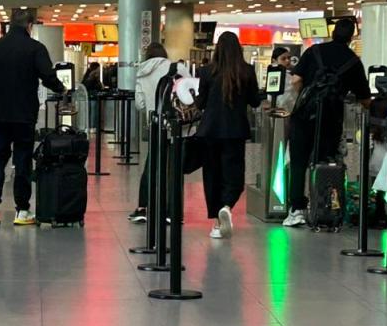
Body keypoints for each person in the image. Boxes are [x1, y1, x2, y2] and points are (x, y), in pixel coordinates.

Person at [0, 7, 66, 227]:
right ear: (30, 25)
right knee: (22, 160)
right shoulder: (35, 48)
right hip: (24, 114)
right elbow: (47, 76)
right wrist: (62, 89)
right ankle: (22, 210)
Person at [284, 19, 371, 228]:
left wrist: (303, 98)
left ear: (332, 32)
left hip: (304, 117)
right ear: (352, 37)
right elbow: (365, 99)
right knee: (327, 164)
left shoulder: (314, 51)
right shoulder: (353, 61)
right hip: (330, 121)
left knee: (298, 163)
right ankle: (325, 209)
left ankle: (296, 210)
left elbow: (296, 80)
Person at [195, 32, 263, 239]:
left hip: (210, 131)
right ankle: (227, 206)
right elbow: (255, 101)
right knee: (234, 173)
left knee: (213, 173)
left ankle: (217, 221)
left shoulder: (207, 71)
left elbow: (201, 103)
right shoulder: (247, 71)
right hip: (235, 131)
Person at [128, 43, 189, 223]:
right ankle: (172, 212)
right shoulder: (177, 68)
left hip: (155, 124)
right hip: (177, 127)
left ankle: (144, 207)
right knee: (174, 168)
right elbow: (192, 91)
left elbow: (139, 104)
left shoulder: (141, 72)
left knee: (152, 165)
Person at [270, 46, 299, 111]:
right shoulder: (275, 74)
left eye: (289, 58)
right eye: (283, 59)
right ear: (274, 60)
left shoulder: (288, 74)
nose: (287, 60)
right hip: (280, 110)